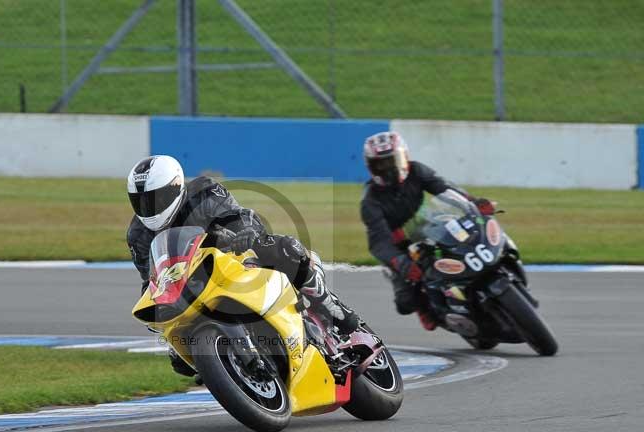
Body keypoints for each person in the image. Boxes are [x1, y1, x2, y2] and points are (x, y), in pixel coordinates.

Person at [126, 155, 360, 377]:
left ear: (176, 188)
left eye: (157, 198)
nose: (150, 208)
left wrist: (247, 232)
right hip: (192, 283)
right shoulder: (138, 235)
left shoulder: (203, 192)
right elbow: (151, 278)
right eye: (141, 202)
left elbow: (237, 214)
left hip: (233, 257)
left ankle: (328, 304)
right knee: (180, 360)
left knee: (284, 247)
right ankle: (229, 368)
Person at [359, 131, 495, 331]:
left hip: (428, 223)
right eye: (381, 165)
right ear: (371, 168)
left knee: (465, 236)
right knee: (405, 302)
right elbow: (379, 243)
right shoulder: (370, 202)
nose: (388, 169)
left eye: (393, 161)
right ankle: (427, 308)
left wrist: (474, 203)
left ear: (404, 157)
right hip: (399, 244)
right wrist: (401, 263)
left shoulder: (417, 171)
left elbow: (445, 188)